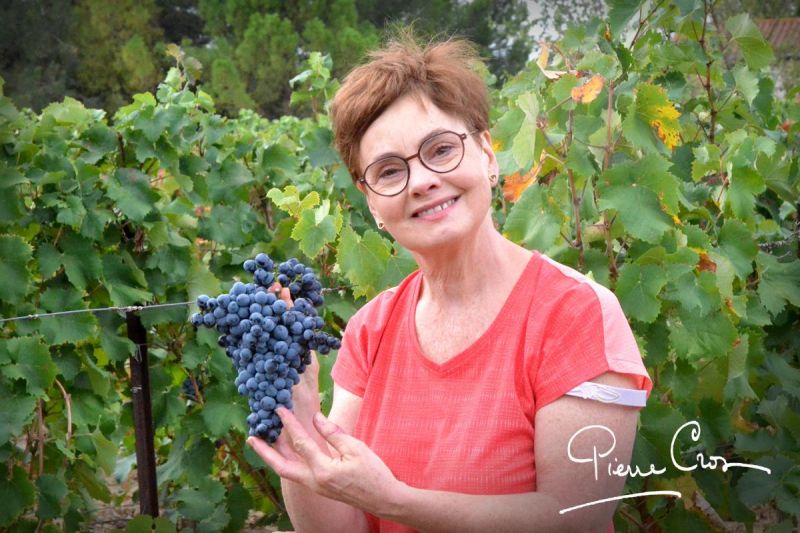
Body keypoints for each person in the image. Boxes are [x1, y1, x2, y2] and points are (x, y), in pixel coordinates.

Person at [248, 32, 653, 533]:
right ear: (371, 202)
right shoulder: (371, 330)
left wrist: (396, 501)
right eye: (389, 171)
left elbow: (575, 519)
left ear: (487, 153)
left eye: (440, 150)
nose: (421, 181)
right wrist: (300, 414)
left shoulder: (575, 315)